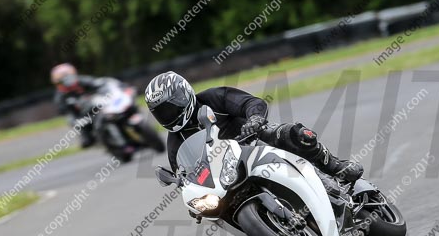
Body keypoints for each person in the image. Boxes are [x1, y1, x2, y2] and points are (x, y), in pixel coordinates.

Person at [144, 71, 363, 184]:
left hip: (254, 140)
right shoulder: (175, 143)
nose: (168, 115)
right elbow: (184, 176)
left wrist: (254, 121)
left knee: (297, 134)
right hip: (228, 175)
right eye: (161, 112)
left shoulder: (212, 98)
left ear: (184, 94)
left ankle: (334, 165)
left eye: (171, 107)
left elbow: (251, 103)